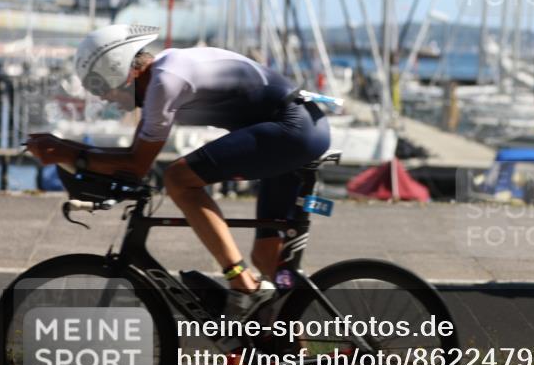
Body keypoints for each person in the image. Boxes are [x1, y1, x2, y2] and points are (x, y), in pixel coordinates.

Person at [26, 24, 331, 316]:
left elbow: (136, 164)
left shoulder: (166, 79)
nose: (103, 98)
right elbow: (131, 159)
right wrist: (70, 152)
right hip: (294, 128)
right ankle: (291, 356)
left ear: (120, 69)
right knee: (268, 259)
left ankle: (241, 282)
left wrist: (68, 152)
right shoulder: (161, 80)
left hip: (293, 128)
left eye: (99, 86)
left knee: (178, 179)